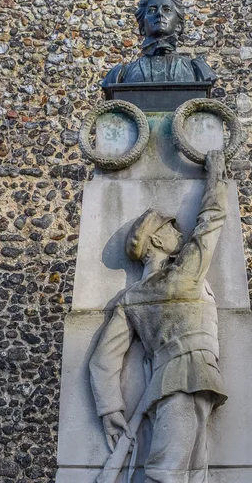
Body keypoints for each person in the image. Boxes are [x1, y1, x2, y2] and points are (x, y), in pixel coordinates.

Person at [89, 149, 228, 483]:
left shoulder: (132, 297)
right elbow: (210, 222)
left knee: (190, 476)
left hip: (186, 380)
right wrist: (215, 177)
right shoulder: (183, 275)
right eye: (170, 228)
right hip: (183, 379)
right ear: (155, 239)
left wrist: (110, 409)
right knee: (168, 474)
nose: (178, 233)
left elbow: (103, 359)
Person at [102, 0, 216, 96]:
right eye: (152, 10)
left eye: (167, 10)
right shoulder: (119, 76)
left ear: (179, 25)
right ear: (142, 27)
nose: (159, 13)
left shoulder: (199, 71)